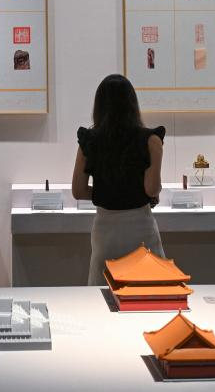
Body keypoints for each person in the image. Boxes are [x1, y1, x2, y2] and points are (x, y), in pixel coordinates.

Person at [72, 74, 165, 286]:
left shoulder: (90, 141)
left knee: (104, 290)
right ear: (133, 104)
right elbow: (151, 189)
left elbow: (78, 191)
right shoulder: (151, 140)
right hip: (141, 226)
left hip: (106, 229)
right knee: (148, 290)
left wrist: (106, 191)